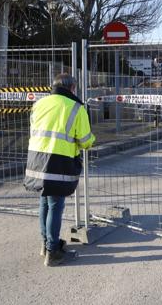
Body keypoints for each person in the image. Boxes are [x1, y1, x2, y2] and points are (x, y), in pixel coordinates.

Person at [24, 73, 95, 266]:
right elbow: (86, 140)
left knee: (44, 202)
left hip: (36, 159)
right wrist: (89, 142)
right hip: (58, 161)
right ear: (72, 88)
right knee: (56, 204)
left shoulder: (39, 103)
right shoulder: (76, 108)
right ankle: (52, 252)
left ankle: (46, 244)